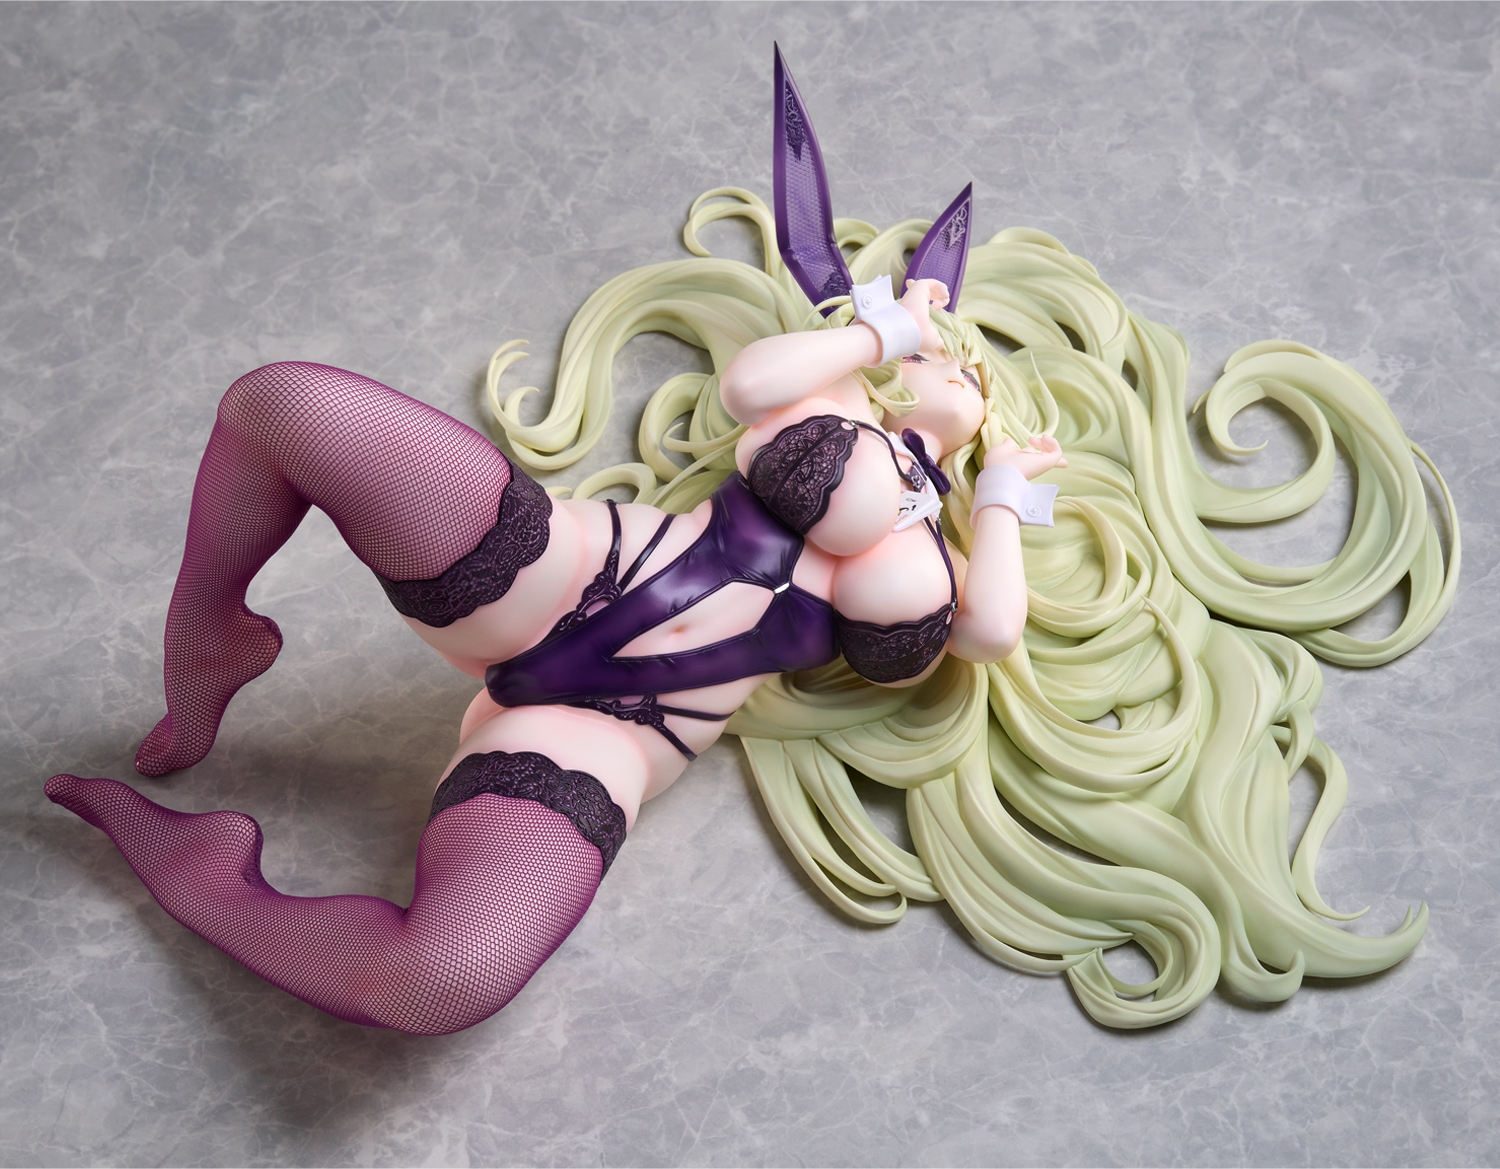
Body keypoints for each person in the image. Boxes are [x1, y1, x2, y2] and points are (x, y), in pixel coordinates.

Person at [44, 51, 1458, 1033]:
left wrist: (1003, 502)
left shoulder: (949, 540)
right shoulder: (836, 393)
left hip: (619, 731)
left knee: (443, 980)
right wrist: (887, 330)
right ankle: (215, 631)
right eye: (955, 353)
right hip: (567, 571)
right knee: (285, 404)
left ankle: (199, 868)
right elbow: (748, 383)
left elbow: (990, 632)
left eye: (984, 381)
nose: (968, 377)